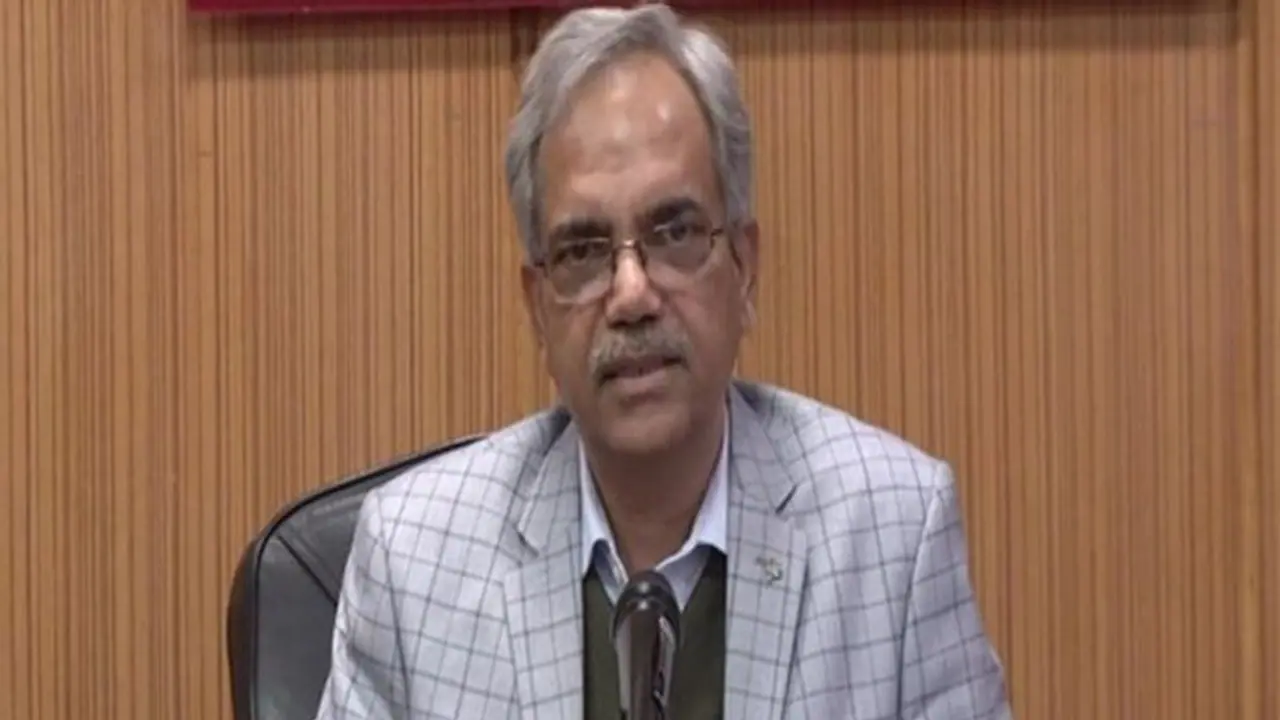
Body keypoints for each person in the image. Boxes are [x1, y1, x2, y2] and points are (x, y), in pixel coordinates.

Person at [315, 4, 1011, 719]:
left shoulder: (891, 534)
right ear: (538, 307)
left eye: (674, 232)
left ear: (744, 268)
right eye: (583, 251)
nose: (632, 294)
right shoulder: (414, 560)